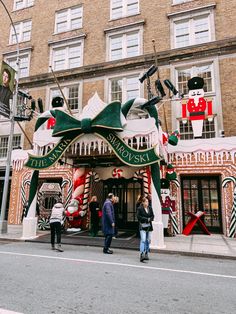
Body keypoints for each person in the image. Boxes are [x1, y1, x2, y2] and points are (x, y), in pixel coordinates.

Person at [137, 197, 154, 262]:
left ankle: (147, 253)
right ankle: (142, 254)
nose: (147, 203)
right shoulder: (140, 208)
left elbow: (152, 216)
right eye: (146, 202)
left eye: (148, 202)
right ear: (143, 202)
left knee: (148, 240)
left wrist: (150, 219)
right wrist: (146, 219)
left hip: (149, 226)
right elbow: (138, 217)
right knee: (143, 240)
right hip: (143, 226)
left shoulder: (150, 208)